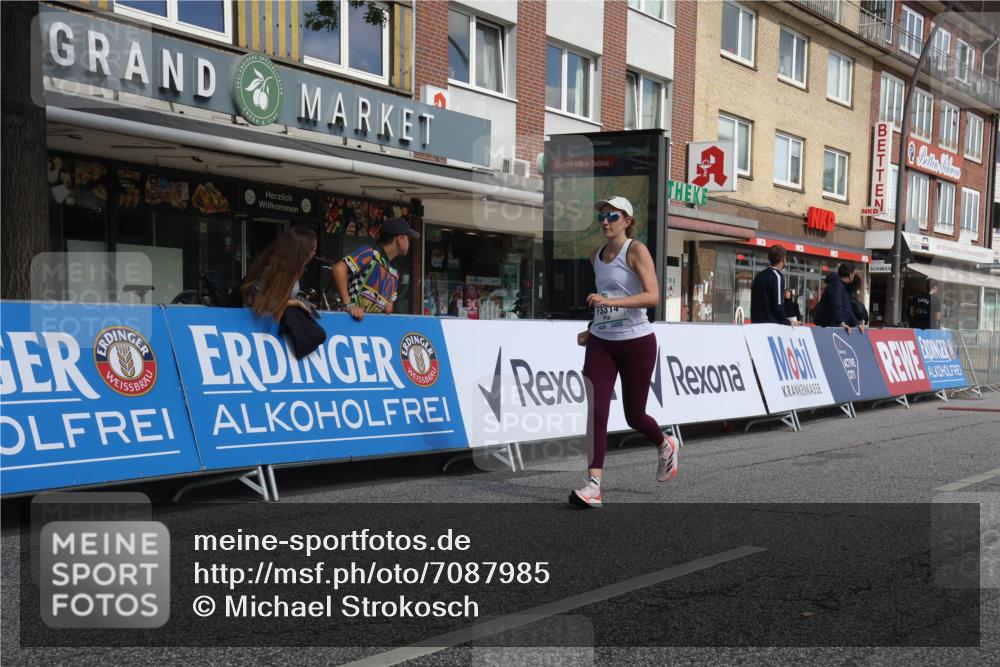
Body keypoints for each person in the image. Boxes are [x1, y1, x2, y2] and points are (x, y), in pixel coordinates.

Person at [570, 196, 678, 509]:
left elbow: (652, 296)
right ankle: (593, 486)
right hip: (602, 343)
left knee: (634, 415)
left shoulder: (636, 250)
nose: (605, 221)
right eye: (601, 216)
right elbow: (606, 299)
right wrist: (593, 327)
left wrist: (611, 303)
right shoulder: (595, 255)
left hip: (637, 342)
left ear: (627, 221)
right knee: (597, 412)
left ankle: (664, 443)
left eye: (612, 216)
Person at [331, 217, 419, 321]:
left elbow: (388, 308)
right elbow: (338, 269)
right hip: (350, 320)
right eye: (408, 239)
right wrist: (349, 305)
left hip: (368, 324)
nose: (409, 243)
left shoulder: (394, 271)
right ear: (400, 239)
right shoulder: (370, 254)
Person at [238, 226, 317, 320]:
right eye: (312, 249)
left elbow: (278, 300)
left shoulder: (292, 271)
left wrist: (300, 301)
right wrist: (294, 303)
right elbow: (258, 304)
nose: (314, 253)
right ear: (302, 251)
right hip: (254, 324)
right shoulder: (269, 270)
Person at [813, 262, 865, 333]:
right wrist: (841, 322)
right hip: (829, 326)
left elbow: (848, 309)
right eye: (854, 273)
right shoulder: (836, 284)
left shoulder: (845, 287)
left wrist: (856, 324)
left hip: (836, 326)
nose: (855, 276)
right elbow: (836, 304)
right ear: (850, 275)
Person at [750, 245, 791, 325]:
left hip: (756, 323)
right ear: (783, 259)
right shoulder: (777, 276)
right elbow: (778, 304)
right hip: (771, 325)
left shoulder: (759, 276)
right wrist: (787, 321)